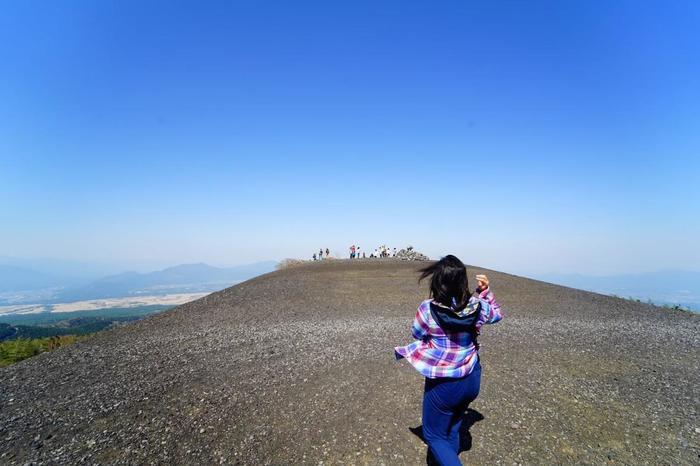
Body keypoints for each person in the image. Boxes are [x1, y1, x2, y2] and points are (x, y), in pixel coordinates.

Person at [394, 255, 502, 466]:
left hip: (445, 383)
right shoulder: (477, 305)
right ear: (462, 281)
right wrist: (484, 293)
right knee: (453, 425)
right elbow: (497, 315)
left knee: (434, 435)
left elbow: (416, 333)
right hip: (472, 377)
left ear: (437, 281)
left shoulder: (427, 308)